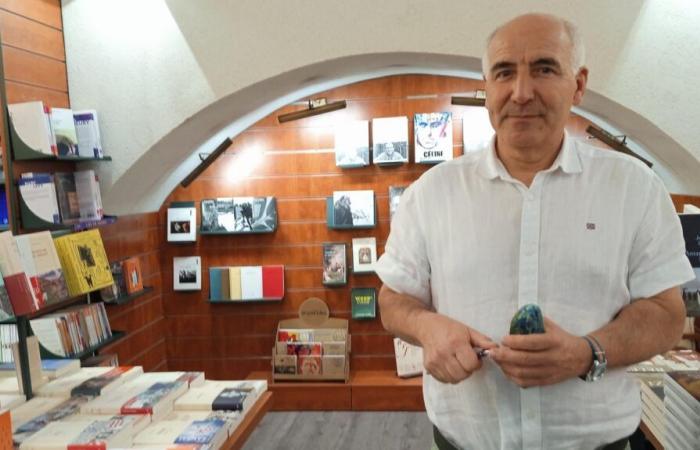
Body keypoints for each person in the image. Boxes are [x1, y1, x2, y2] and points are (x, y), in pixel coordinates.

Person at [374, 13, 694, 450]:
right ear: (486, 88)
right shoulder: (432, 193)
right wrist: (428, 327)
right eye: (504, 73)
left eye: (544, 68)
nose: (521, 93)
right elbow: (393, 300)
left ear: (578, 85)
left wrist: (587, 353)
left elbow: (666, 314)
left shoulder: (634, 188)